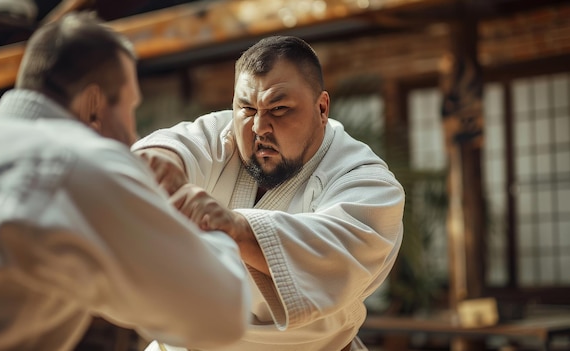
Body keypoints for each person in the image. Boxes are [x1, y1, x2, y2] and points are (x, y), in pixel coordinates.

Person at [0, 12, 251, 351]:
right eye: (130, 109)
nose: (134, 135)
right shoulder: (83, 161)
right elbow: (219, 314)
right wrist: (210, 225)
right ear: (93, 106)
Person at [134, 35, 405, 351]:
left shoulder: (366, 180)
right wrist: (158, 165)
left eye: (279, 108)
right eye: (247, 107)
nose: (259, 126)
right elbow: (176, 147)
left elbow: (334, 258)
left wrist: (234, 228)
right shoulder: (223, 135)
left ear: (321, 108)